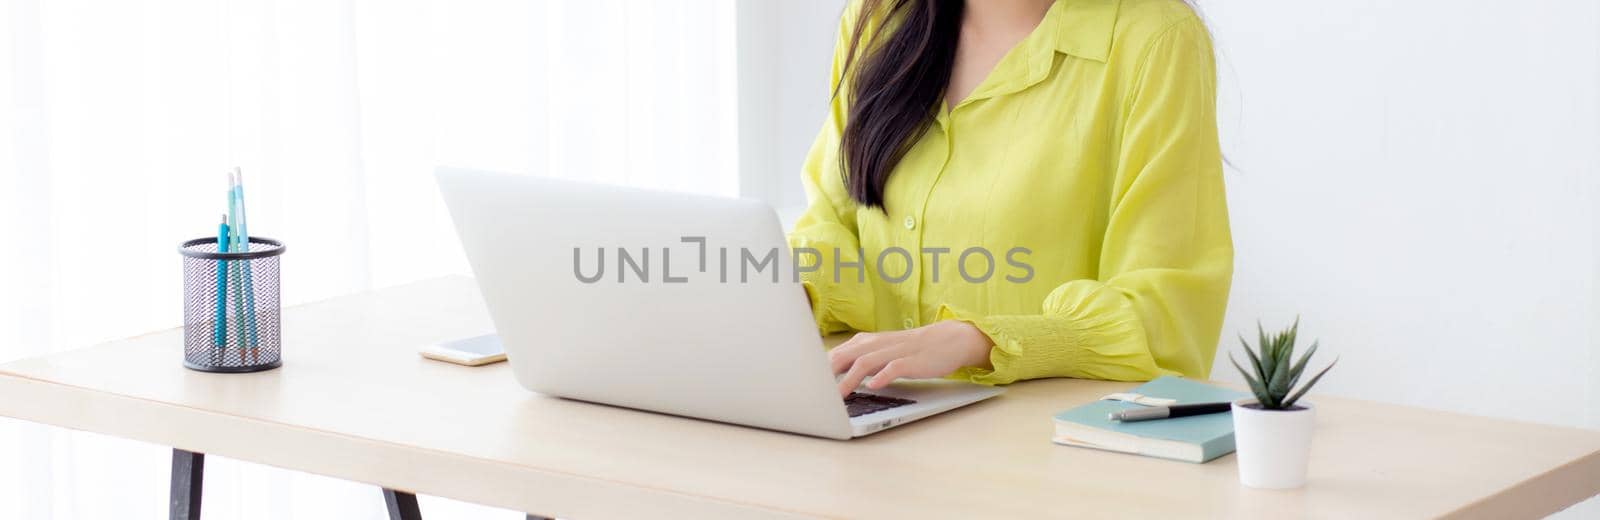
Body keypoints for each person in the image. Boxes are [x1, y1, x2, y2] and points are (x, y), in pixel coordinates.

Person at [788, 0, 1234, 396]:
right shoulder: (879, 20)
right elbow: (833, 224)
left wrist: (980, 342)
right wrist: (789, 293)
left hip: (1045, 448)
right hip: (871, 418)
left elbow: (1166, 314)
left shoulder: (1155, 41)